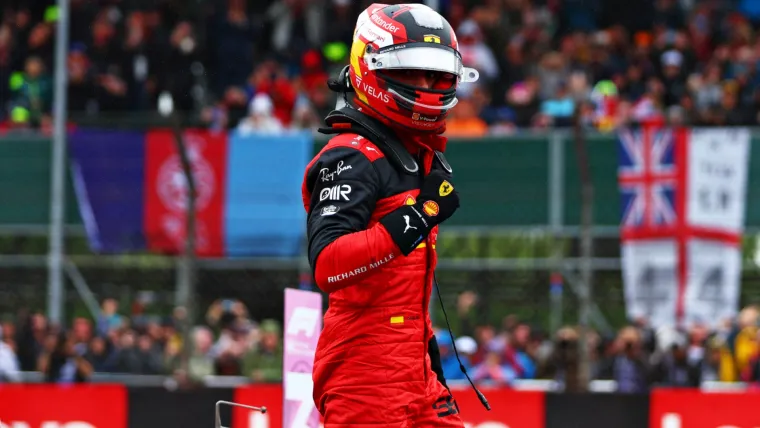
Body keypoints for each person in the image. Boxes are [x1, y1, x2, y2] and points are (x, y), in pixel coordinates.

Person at [301, 3, 479, 427]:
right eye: (410, 73)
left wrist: (429, 356)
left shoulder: (415, 154)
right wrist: (423, 214)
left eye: (435, 75)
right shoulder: (351, 156)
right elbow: (327, 265)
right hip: (364, 371)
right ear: (372, 68)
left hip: (416, 368)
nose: (425, 86)